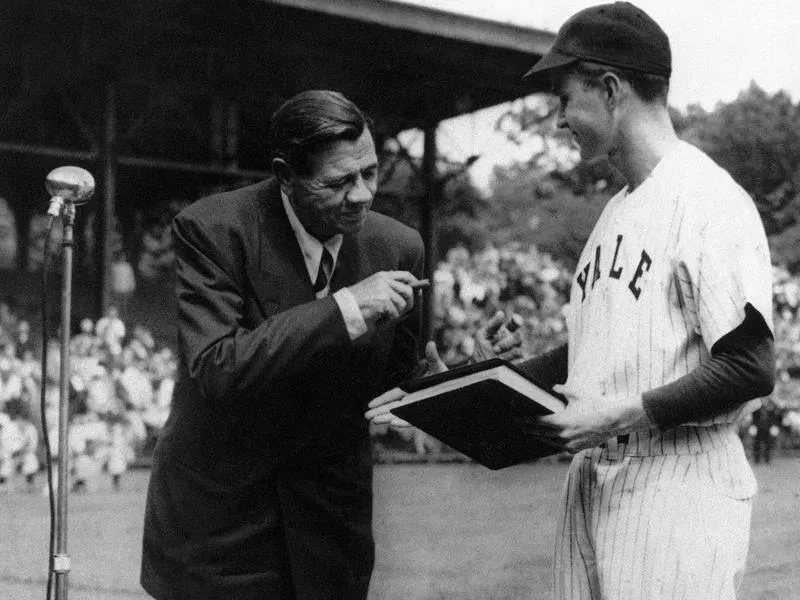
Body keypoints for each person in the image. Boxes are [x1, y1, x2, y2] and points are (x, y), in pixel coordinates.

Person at [367, 4, 775, 599]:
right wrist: (460, 389)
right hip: (596, 480)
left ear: (611, 90)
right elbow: (588, 354)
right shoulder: (616, 213)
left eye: (565, 98)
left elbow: (750, 366)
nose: (560, 118)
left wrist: (615, 415)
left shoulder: (708, 201)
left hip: (677, 489)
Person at [140, 89, 520, 600]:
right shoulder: (213, 229)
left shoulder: (399, 247)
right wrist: (345, 308)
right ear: (285, 176)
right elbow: (216, 368)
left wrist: (468, 374)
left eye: (370, 172)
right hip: (220, 531)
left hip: (331, 531)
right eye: (339, 182)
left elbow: (393, 384)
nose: (362, 194)